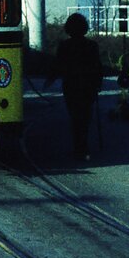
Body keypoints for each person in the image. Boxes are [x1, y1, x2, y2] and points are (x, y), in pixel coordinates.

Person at [50, 12, 103, 160]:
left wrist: (50, 79)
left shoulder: (64, 46)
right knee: (85, 116)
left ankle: (78, 147)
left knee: (75, 117)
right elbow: (98, 67)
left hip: (71, 85)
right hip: (88, 86)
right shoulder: (92, 45)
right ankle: (83, 146)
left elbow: (58, 65)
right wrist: (98, 83)